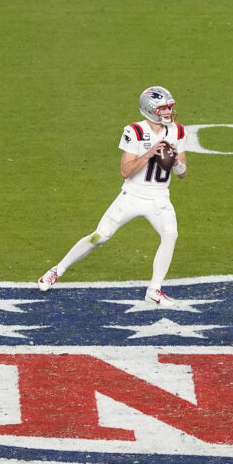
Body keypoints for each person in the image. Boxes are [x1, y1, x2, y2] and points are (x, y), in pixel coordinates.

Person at [37, 87, 188, 306]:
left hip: (160, 197)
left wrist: (175, 162)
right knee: (101, 235)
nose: (168, 112)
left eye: (169, 108)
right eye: (164, 108)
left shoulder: (178, 131)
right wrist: (149, 153)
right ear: (151, 109)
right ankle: (56, 271)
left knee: (170, 234)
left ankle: (154, 290)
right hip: (133, 194)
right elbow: (125, 172)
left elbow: (183, 173)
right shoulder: (135, 131)